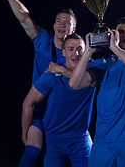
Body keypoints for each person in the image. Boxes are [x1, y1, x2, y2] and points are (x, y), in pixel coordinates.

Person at [3, 0, 77, 166]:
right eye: (58, 21)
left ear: (74, 28)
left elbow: (92, 76)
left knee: (88, 155)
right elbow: (24, 17)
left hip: (66, 115)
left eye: (67, 22)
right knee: (31, 151)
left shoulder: (78, 51)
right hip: (41, 109)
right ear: (53, 26)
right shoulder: (44, 42)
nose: (62, 24)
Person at [69, 17, 125, 167]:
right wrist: (88, 52)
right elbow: (75, 83)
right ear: (113, 35)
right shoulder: (103, 64)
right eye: (121, 31)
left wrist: (115, 48)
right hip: (103, 139)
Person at [21, 33, 95, 166]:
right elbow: (28, 103)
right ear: (64, 52)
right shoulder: (52, 75)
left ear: (85, 51)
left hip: (79, 139)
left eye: (79, 49)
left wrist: (62, 69)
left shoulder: (92, 71)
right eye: (71, 49)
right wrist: (24, 134)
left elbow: (87, 81)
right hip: (54, 140)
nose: (76, 53)